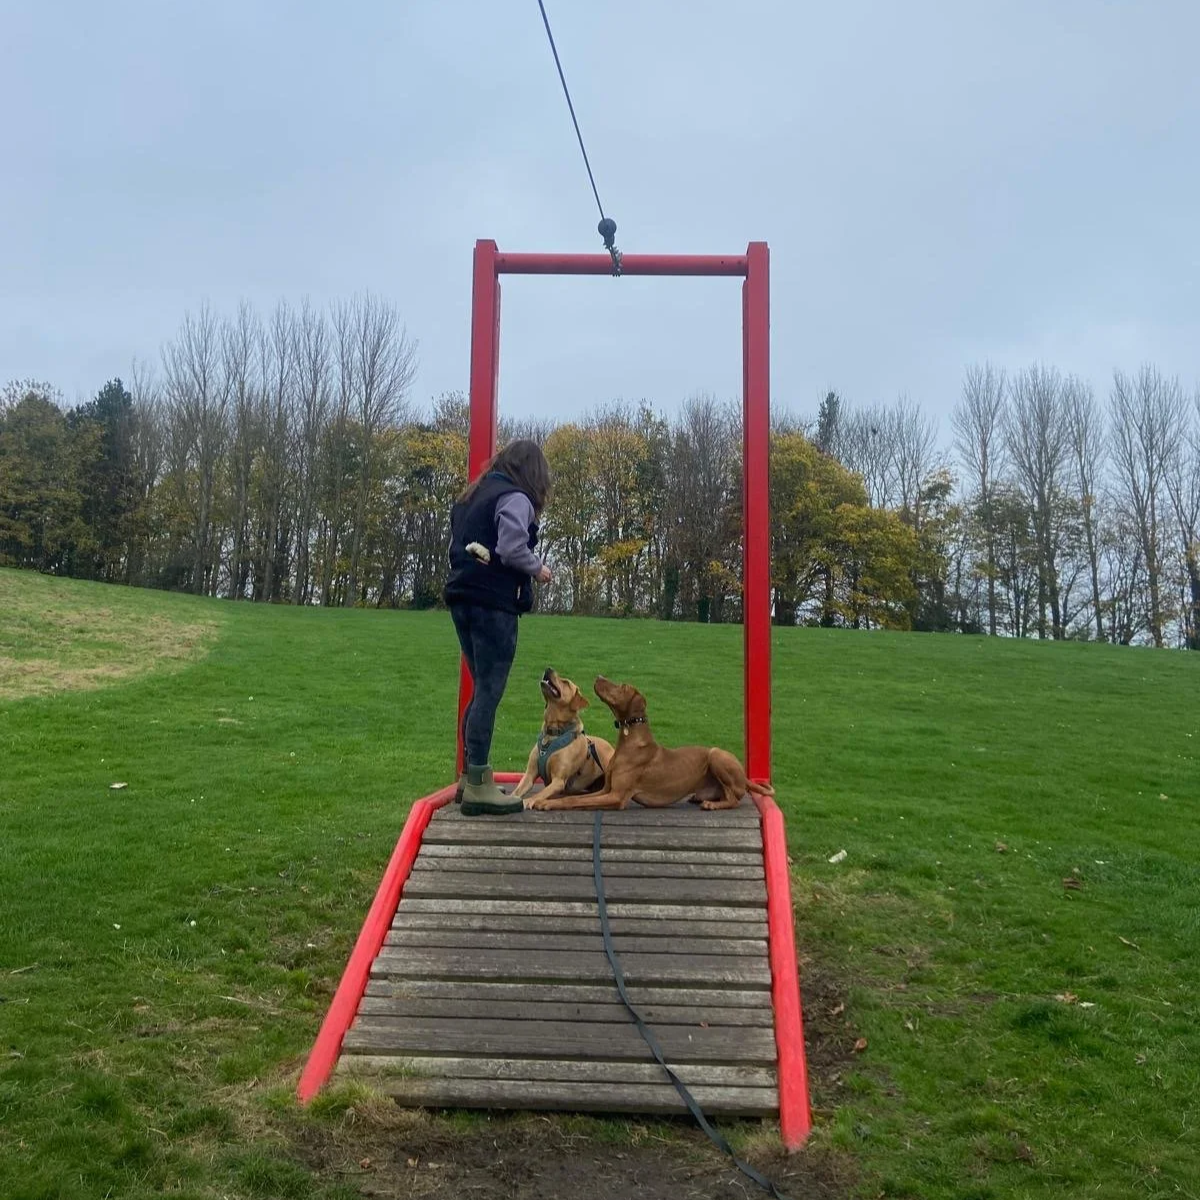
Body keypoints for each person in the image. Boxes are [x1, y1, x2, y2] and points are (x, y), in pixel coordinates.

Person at [444, 439, 552, 816]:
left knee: (480, 691)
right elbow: (511, 548)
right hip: (493, 604)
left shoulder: (472, 496)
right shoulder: (516, 498)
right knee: (489, 691)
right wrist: (538, 569)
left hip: (461, 598)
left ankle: (469, 776)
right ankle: (478, 784)